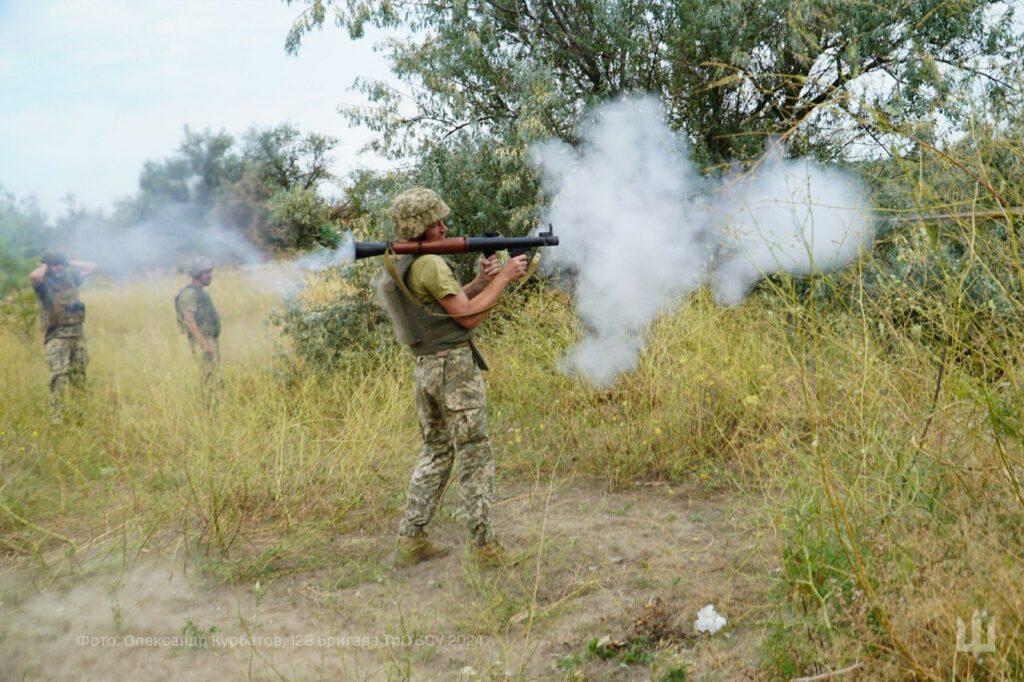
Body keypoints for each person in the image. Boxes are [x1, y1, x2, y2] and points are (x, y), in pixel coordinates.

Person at [380, 187, 529, 567]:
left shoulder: (404, 263)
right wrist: (506, 278)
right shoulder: (430, 264)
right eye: (436, 223)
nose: (445, 226)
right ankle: (484, 550)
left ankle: (411, 538)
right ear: (420, 228)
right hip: (453, 371)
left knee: (436, 451)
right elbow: (467, 318)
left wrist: (480, 283)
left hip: (428, 368)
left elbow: (443, 308)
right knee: (474, 451)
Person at [28, 252, 97, 416]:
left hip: (77, 336)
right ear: (47, 266)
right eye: (54, 264)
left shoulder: (71, 277)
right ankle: (56, 416)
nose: (58, 267)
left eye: (60, 264)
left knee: (79, 375)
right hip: (57, 337)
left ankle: (79, 412)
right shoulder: (44, 283)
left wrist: (67, 262)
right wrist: (45, 264)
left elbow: (91, 267)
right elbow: (34, 277)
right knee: (59, 376)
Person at [174, 257, 221, 397]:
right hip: (201, 340)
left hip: (208, 339)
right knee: (207, 376)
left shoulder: (199, 292)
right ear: (197, 274)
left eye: (210, 272)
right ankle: (209, 407)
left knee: (213, 374)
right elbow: (188, 321)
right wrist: (204, 344)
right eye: (206, 272)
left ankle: (213, 402)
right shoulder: (189, 294)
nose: (209, 275)